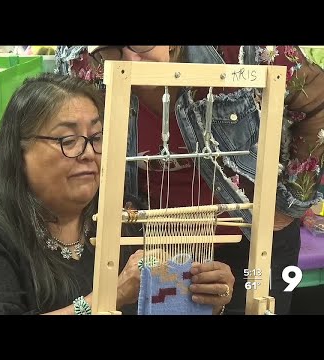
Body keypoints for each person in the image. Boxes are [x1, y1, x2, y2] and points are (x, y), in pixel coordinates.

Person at [0, 73, 235, 315]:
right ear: (20, 150)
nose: (87, 154)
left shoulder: (125, 217)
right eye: (68, 140)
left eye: (96, 138)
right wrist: (109, 296)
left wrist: (203, 298)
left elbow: (161, 305)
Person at [62, 45, 324, 315]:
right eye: (111, 49)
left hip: (252, 238)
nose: (130, 59)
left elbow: (318, 103)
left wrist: (290, 202)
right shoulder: (87, 64)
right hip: (145, 242)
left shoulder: (251, 52)